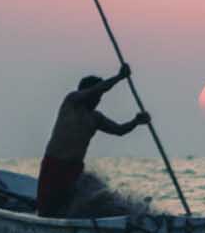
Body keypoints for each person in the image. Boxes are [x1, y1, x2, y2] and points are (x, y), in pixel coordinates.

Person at [36, 63, 150, 216]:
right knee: (46, 211)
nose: (98, 99)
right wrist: (119, 77)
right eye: (96, 96)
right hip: (54, 164)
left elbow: (119, 130)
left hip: (74, 169)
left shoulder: (96, 118)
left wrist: (136, 121)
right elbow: (97, 89)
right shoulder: (71, 102)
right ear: (86, 92)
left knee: (68, 208)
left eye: (100, 97)